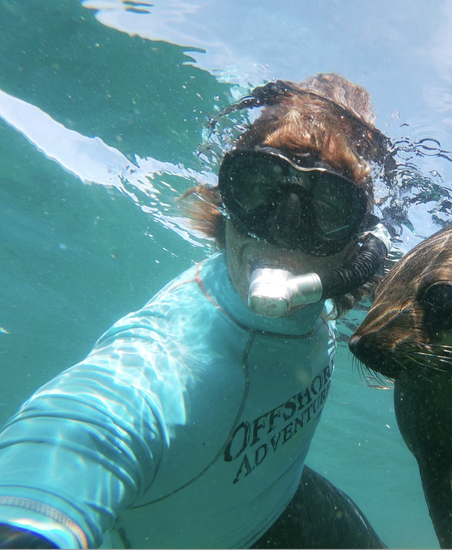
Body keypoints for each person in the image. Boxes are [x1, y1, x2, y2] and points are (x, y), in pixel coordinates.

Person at [0, 73, 392, 549]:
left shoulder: (338, 289)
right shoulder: (155, 369)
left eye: (328, 206)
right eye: (257, 186)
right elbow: (81, 432)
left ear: (359, 242)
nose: (283, 229)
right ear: (225, 199)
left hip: (286, 499)